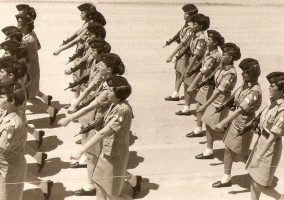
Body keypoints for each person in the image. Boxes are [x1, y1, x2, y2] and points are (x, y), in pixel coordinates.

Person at [70, 75, 134, 200]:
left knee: (113, 194)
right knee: (99, 186)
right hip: (105, 152)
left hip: (115, 156)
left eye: (110, 91)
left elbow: (103, 132)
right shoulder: (114, 104)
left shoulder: (123, 110)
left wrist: (82, 150)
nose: (107, 92)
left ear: (118, 93)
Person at [211, 58, 262, 188]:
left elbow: (240, 110)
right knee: (228, 149)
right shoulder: (245, 84)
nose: (241, 74)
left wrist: (223, 122)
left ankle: (259, 176)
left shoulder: (254, 91)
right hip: (236, 121)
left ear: (252, 73)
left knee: (241, 154)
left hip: (244, 122)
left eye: (244, 72)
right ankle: (226, 178)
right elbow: (234, 98)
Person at [195, 42, 240, 159]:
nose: (221, 56)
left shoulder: (230, 73)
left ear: (230, 58)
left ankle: (233, 144)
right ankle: (209, 150)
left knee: (216, 127)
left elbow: (218, 91)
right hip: (216, 98)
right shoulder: (222, 67)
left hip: (221, 100)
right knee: (208, 123)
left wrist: (205, 105)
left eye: (224, 54)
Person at [246, 72, 284, 200]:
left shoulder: (282, 109)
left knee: (260, 183)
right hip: (261, 141)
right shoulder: (272, 102)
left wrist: (258, 156)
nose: (269, 88)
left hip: (270, 147)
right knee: (253, 177)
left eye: (272, 86)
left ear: (281, 89)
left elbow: (273, 137)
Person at [16, 14, 58, 125]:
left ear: (25, 26)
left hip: (30, 71)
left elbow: (20, 53)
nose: (17, 25)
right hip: (32, 69)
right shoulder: (30, 35)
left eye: (19, 23)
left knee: (30, 97)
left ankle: (52, 111)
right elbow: (38, 47)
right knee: (28, 96)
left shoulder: (28, 39)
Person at [186, 29, 224, 137]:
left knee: (202, 106)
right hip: (205, 83)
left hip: (208, 85)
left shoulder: (214, 56)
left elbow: (204, 71)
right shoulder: (210, 52)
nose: (207, 41)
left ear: (215, 43)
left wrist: (192, 85)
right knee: (200, 105)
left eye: (209, 39)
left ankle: (200, 129)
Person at [165, 4, 198, 102]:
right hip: (182, 52)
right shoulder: (187, 24)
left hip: (186, 53)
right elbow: (180, 34)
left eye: (186, 13)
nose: (184, 15)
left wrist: (171, 56)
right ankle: (175, 93)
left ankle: (188, 97)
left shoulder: (191, 28)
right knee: (178, 72)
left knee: (183, 74)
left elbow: (182, 44)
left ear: (191, 15)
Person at [0, 81, 27, 200]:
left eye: (1, 97)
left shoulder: (13, 125)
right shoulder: (7, 112)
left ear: (12, 101)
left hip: (10, 171)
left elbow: (2, 147)